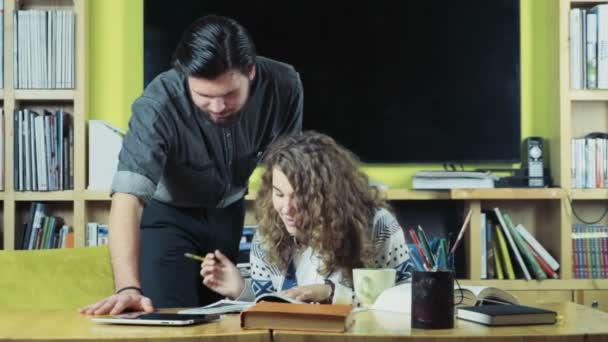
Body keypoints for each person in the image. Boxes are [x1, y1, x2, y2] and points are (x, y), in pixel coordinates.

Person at [80, 15, 303, 315]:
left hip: (229, 214)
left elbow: (288, 173)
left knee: (223, 318)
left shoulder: (284, 86)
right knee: (169, 320)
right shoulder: (158, 104)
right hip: (168, 218)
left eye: (229, 95)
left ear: (250, 71)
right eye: (204, 97)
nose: (217, 108)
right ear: (184, 76)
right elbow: (128, 198)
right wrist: (128, 288)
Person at [201, 131, 413, 305]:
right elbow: (270, 310)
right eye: (279, 193)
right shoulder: (266, 238)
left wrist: (331, 293)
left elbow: (407, 301)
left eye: (300, 197)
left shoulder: (377, 225)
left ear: (329, 195)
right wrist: (240, 289)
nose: (286, 209)